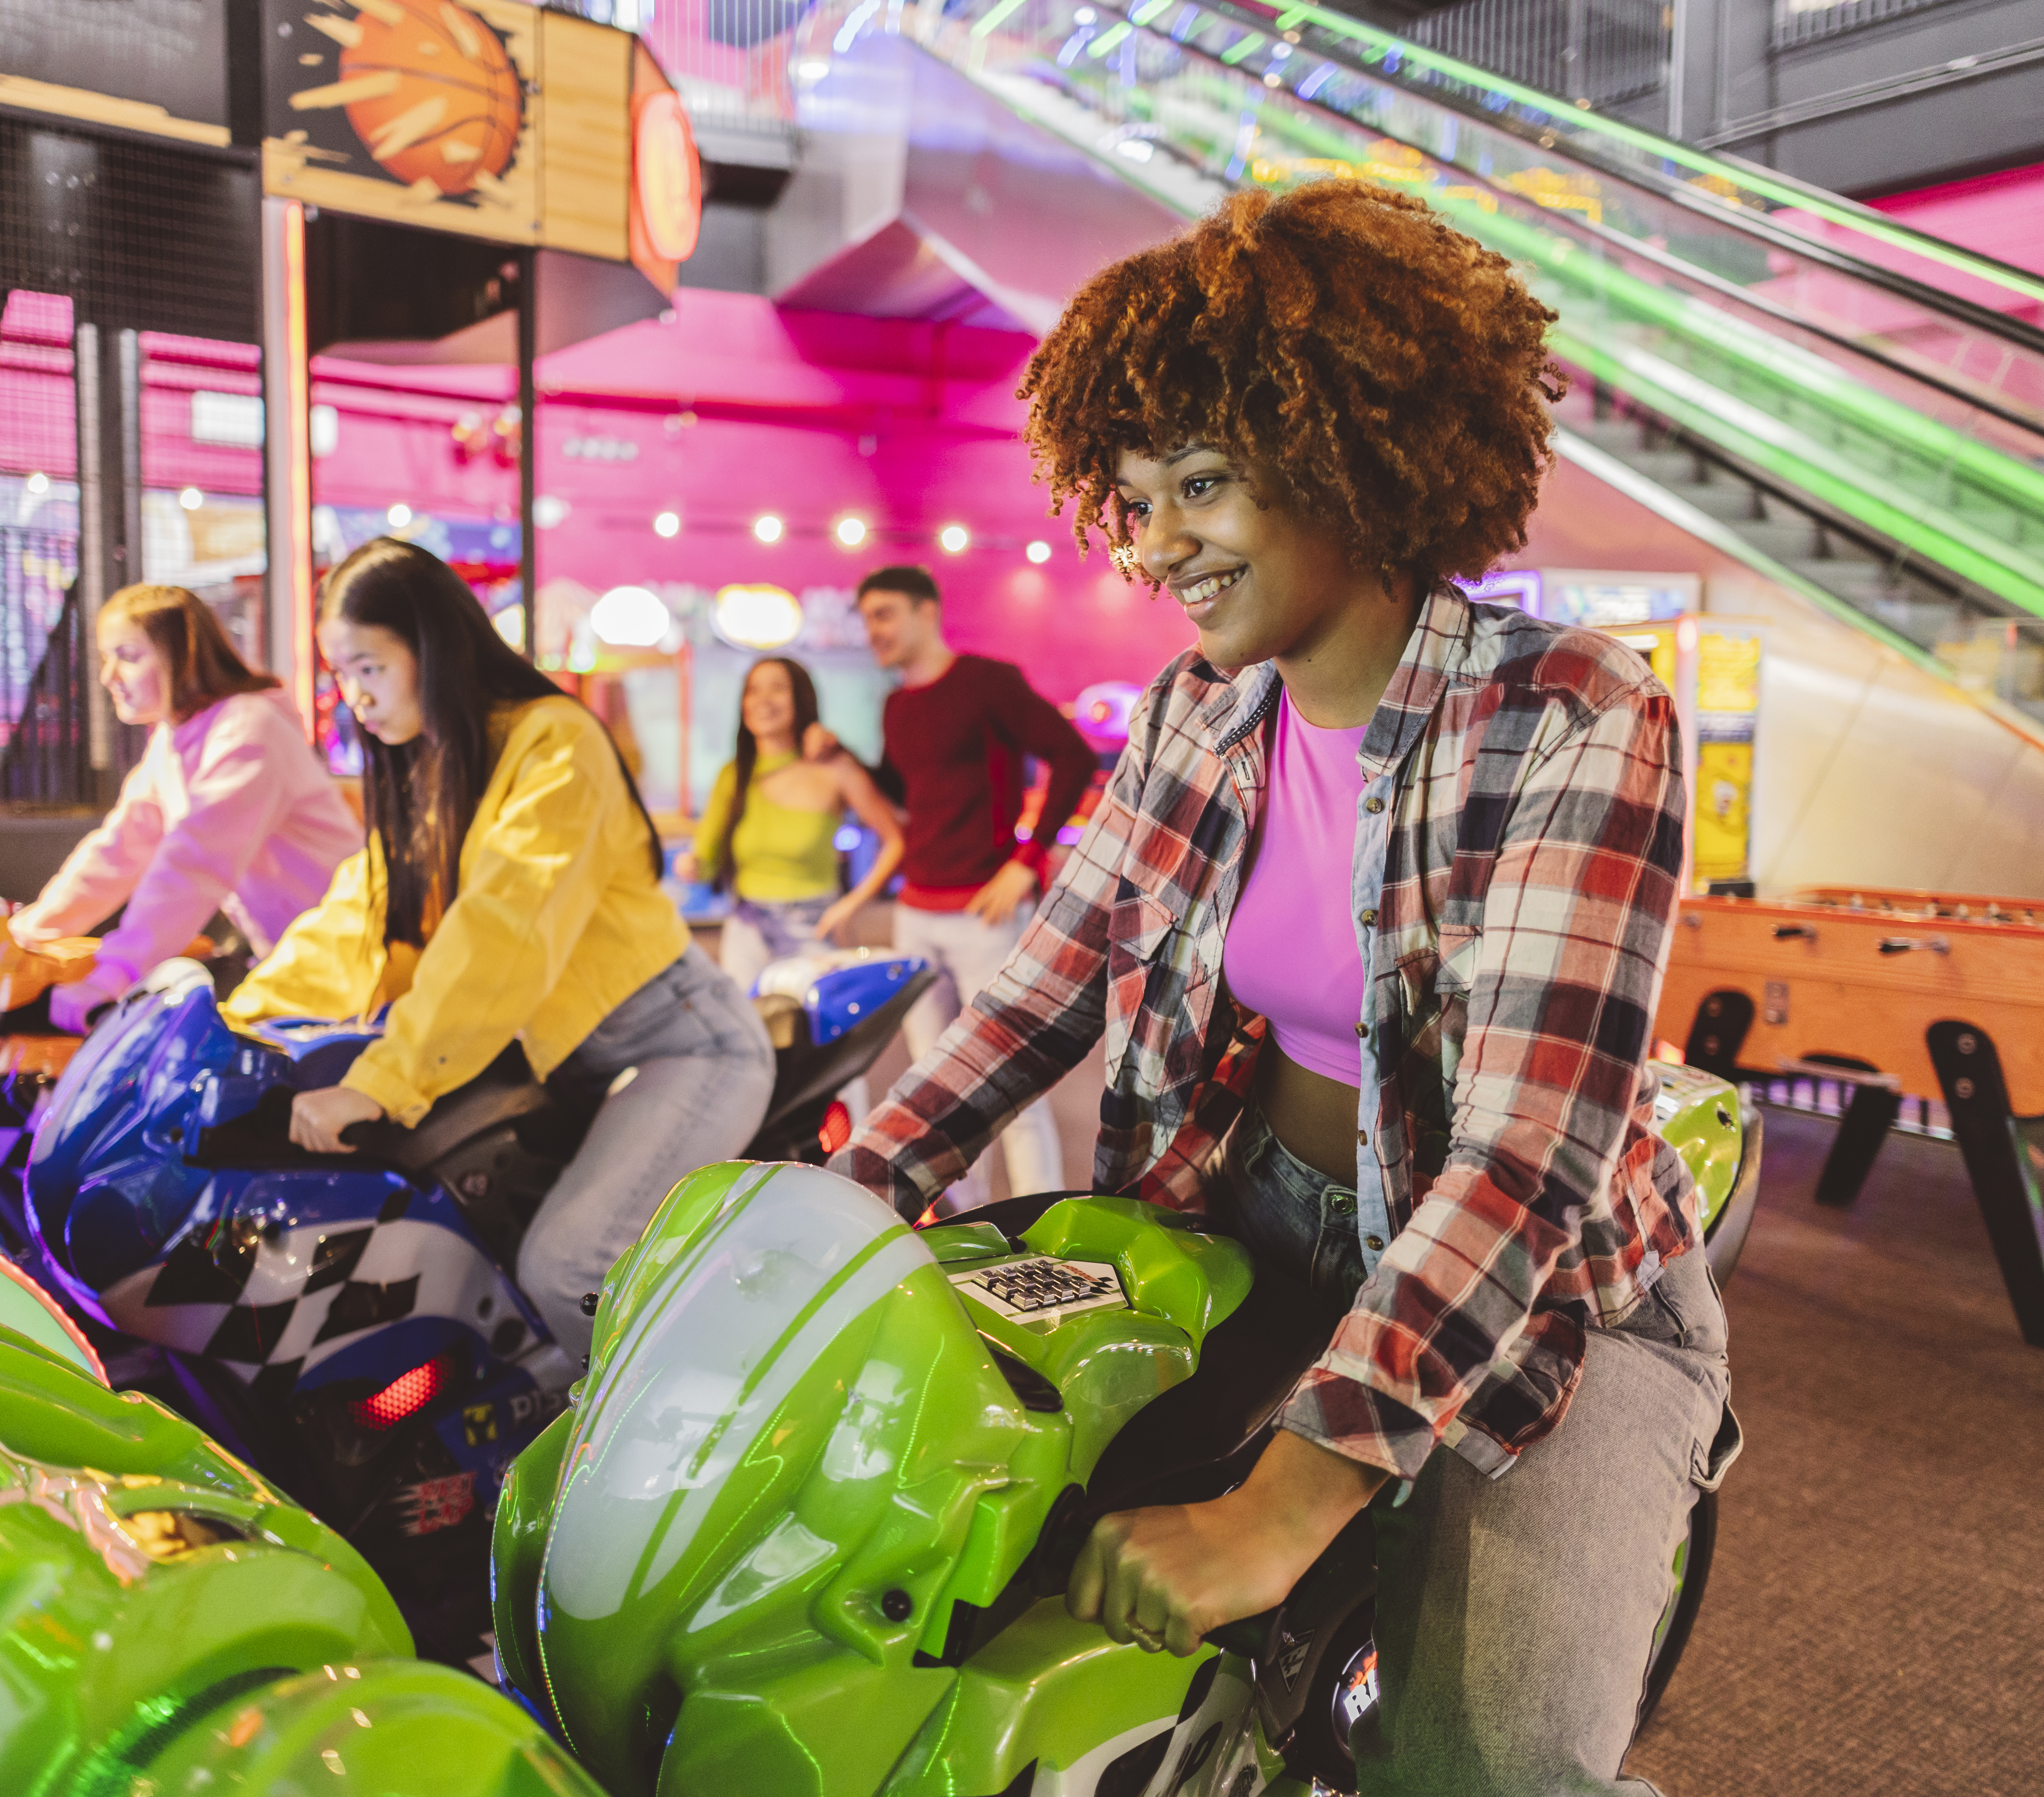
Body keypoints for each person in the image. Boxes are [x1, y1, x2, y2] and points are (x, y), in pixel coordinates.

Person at [831, 183, 1734, 1795]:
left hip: (1556, 1306)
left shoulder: (1576, 714)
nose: (1159, 540)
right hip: (1253, 1221)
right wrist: (835, 1198)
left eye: (1201, 482)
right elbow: (1031, 997)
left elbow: (1526, 1153)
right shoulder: (1198, 711)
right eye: (1136, 495)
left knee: (1487, 1762)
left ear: (1348, 451)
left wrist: (1291, 1492)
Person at [225, 539, 775, 1362]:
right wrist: (238, 1023)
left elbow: (504, 928)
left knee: (568, 1268)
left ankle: (695, 1438)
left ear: (432, 647)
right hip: (574, 1064)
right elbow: (355, 919)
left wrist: (383, 1080)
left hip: (682, 1045)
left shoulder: (554, 745)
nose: (354, 699)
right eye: (343, 676)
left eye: (368, 668)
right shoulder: (435, 767)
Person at [826, 565, 1095, 1203]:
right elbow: (902, 792)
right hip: (915, 911)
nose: (874, 631)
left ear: (926, 612)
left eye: (885, 614)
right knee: (936, 1088)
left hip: (985, 916)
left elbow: (1073, 756)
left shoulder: (986, 682)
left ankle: (1039, 1221)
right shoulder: (897, 705)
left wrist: (1025, 861)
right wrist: (840, 757)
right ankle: (958, 1223)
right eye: (866, 619)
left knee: (1010, 1082)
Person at [12, 583, 360, 1033]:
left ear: (184, 656)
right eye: (106, 657)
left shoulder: (248, 730)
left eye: (129, 655)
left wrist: (113, 976)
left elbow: (195, 861)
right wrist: (29, 934)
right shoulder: (175, 738)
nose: (108, 676)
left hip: (352, 962)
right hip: (298, 964)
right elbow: (119, 849)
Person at [677, 656, 905, 991]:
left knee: (814, 1039)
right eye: (753, 691)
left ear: (801, 698)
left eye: (777, 689)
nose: (763, 701)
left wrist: (850, 907)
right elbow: (706, 859)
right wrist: (692, 865)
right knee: (751, 1039)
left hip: (813, 931)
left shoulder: (833, 767)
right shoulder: (734, 775)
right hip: (746, 929)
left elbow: (895, 839)